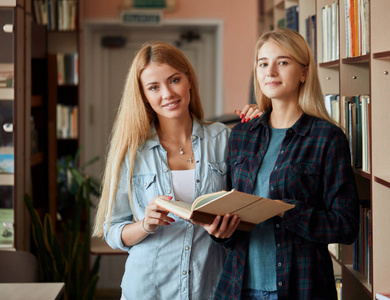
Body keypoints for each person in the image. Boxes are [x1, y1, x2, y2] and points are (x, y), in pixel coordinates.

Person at [199, 28, 360, 299]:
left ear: (304, 72)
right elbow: (231, 208)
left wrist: (287, 211)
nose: (270, 71)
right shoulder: (242, 135)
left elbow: (345, 226)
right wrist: (220, 231)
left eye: (282, 62)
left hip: (301, 287)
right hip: (238, 287)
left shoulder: (327, 138)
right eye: (263, 63)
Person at [92, 41, 260, 300]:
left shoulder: (224, 139)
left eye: (174, 80)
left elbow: (252, 203)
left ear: (189, 80)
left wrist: (263, 126)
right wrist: (145, 224)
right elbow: (113, 230)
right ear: (144, 95)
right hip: (149, 290)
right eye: (154, 87)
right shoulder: (132, 152)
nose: (167, 94)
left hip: (210, 287)